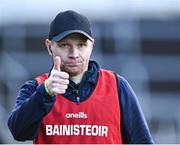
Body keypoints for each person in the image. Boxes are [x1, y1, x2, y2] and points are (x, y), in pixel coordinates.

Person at [8, 10, 154, 144]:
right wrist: (45, 93)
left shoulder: (117, 86)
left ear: (91, 45)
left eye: (81, 45)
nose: (74, 54)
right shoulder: (36, 88)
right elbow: (18, 132)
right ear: (49, 46)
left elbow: (142, 141)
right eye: (65, 45)